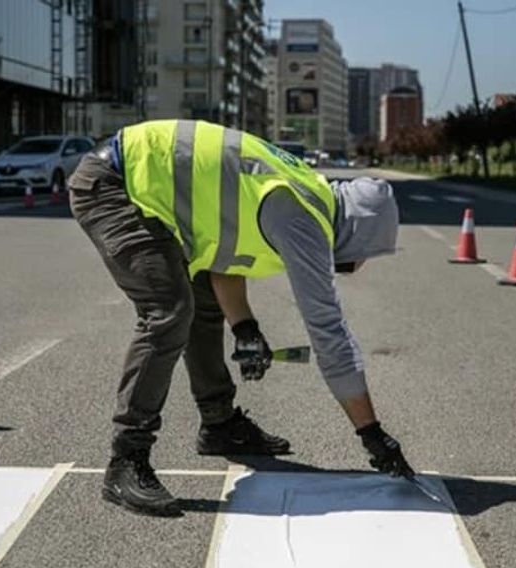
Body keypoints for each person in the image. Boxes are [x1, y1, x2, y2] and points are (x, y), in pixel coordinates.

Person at [69, 119, 413, 516]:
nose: (361, 264)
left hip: (138, 185)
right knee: (168, 312)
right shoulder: (304, 219)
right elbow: (328, 333)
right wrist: (372, 434)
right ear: (358, 232)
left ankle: (219, 425)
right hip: (116, 185)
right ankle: (126, 460)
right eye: (367, 253)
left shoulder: (305, 190)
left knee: (199, 298)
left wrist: (245, 328)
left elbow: (223, 254)